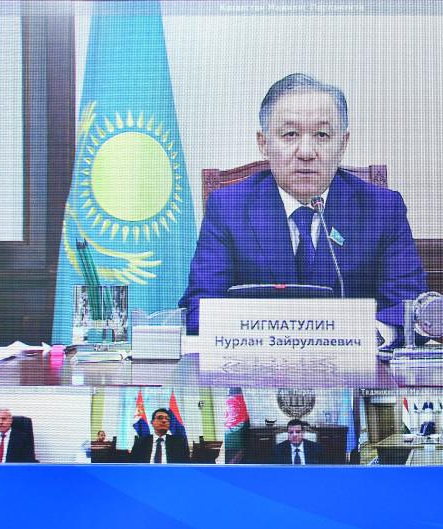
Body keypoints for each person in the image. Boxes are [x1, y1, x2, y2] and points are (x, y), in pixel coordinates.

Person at [180, 74, 428, 344]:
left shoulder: (382, 209)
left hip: (355, 366)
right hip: (257, 365)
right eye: (290, 135)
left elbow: (411, 309)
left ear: (343, 144)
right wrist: (276, 339)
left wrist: (364, 338)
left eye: (322, 135)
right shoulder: (228, 208)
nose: (306, 152)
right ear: (264, 144)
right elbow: (199, 310)